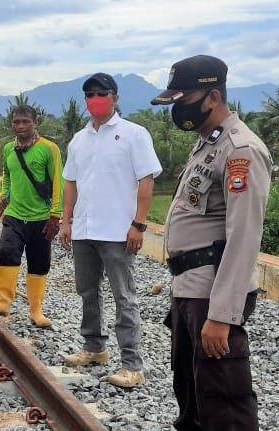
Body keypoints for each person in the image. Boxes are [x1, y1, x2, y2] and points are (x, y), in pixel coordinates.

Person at [150, 55, 271, 431]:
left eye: (183, 99)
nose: (177, 109)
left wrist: (222, 315)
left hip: (211, 293)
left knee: (223, 398)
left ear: (213, 96)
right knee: (190, 388)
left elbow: (243, 237)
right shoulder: (208, 144)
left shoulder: (241, 150)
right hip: (190, 287)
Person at [59, 73, 162, 388]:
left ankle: (132, 365)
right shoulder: (79, 139)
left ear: (115, 97)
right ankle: (94, 347)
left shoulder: (134, 134)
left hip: (118, 231)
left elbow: (147, 180)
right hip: (85, 230)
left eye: (101, 93)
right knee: (87, 291)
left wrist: (138, 224)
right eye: (89, 94)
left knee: (124, 296)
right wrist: (66, 220)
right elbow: (70, 183)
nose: (94, 99)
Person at [0, 104, 63, 327]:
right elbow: (7, 175)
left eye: (26, 121)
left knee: (39, 263)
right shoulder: (8, 149)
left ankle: (36, 310)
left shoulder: (49, 148)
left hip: (41, 217)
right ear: (12, 124)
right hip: (14, 214)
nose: (21, 126)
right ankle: (3, 301)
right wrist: (5, 194)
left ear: (35, 123)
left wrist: (55, 215)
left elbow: (58, 183)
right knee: (6, 253)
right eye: (17, 122)